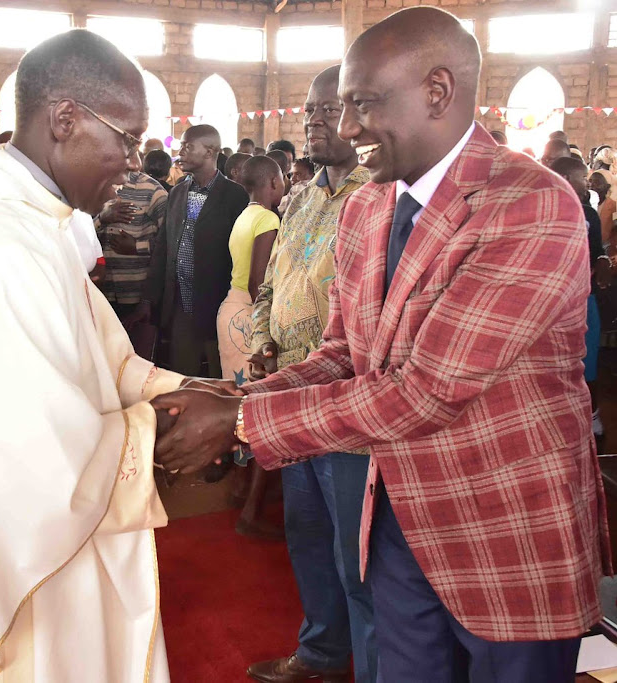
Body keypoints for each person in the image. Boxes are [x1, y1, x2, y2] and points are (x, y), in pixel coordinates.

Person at [150, 8, 610, 683]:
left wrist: (244, 420)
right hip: (394, 519)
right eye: (342, 108)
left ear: (438, 91)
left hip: (504, 530)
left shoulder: (529, 202)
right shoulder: (369, 206)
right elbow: (345, 351)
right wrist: (240, 394)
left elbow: (427, 388)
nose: (346, 129)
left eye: (362, 104)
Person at [0, 29, 235, 682]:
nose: (130, 163)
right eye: (124, 139)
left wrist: (198, 388)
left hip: (27, 553)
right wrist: (168, 427)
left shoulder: (27, 220)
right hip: (20, 578)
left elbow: (101, 359)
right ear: (65, 118)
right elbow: (31, 456)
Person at [246, 65, 377, 683]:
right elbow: (270, 284)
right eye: (309, 110)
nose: (314, 120)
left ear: (360, 115)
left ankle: (373, 667)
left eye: (328, 110)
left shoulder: (376, 195)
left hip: (349, 404)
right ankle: (322, 654)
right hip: (291, 395)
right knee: (306, 530)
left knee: (359, 558)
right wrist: (261, 341)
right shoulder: (298, 196)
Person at [137, 124, 248, 377]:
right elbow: (163, 247)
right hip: (180, 305)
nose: (180, 152)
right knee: (182, 374)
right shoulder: (177, 193)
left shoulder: (234, 196)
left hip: (217, 304)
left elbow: (242, 255)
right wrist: (150, 297)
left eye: (188, 146)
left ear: (210, 152)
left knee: (221, 374)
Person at [216, 155, 283, 538]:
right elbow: (261, 280)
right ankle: (252, 511)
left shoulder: (245, 214)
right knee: (261, 408)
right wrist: (268, 333)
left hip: (230, 309)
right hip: (249, 315)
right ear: (273, 182)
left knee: (241, 402)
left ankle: (239, 489)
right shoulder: (270, 219)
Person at [552, 156, 612, 438]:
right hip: (552, 297)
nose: (584, 188)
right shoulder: (544, 211)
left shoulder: (588, 213)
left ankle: (592, 413)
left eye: (584, 183)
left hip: (582, 293)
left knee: (586, 354)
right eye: (579, 182)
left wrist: (602, 261)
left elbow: (598, 247)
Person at [97, 169, 168, 322]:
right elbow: (74, 233)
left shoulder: (152, 189)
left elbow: (169, 242)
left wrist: (138, 246)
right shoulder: (92, 184)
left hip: (137, 293)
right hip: (99, 291)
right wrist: (101, 219)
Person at [590, 168, 617, 244]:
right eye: (590, 181)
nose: (592, 185)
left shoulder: (614, 207)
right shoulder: (585, 203)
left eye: (597, 182)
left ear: (607, 186)